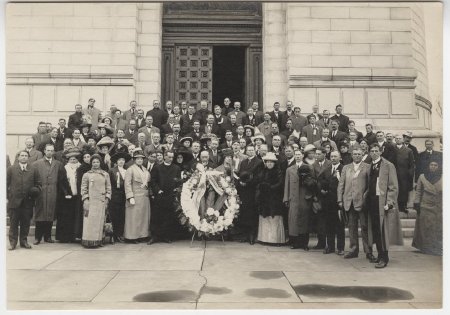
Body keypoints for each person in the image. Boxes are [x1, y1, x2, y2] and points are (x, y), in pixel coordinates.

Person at [366, 143, 402, 268]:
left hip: (382, 203)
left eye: (377, 150)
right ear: (369, 153)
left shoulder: (388, 165)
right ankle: (379, 254)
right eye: (372, 151)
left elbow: (393, 186)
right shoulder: (370, 166)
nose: (374, 153)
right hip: (372, 202)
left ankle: (384, 257)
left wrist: (390, 202)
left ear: (381, 152)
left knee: (383, 232)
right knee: (375, 230)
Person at [337, 148, 374, 261]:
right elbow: (341, 185)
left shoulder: (367, 167)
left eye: (359, 154)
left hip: (362, 202)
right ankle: (353, 249)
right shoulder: (346, 167)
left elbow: (370, 185)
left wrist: (365, 197)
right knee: (351, 227)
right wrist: (339, 200)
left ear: (362, 155)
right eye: (355, 154)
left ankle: (368, 251)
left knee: (364, 227)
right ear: (351, 155)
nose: (357, 156)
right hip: (349, 201)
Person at [33, 144, 70, 245]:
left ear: (54, 152)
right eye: (48, 150)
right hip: (41, 192)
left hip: (53, 192)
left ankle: (48, 236)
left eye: (52, 150)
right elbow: (33, 179)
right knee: (40, 214)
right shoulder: (36, 164)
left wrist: (66, 192)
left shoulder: (58, 164)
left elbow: (63, 180)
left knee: (50, 214)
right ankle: (37, 237)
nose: (50, 152)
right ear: (44, 151)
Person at [7, 150, 41, 250]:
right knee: (13, 223)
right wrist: (9, 196)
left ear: (28, 158)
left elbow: (39, 184)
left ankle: (24, 241)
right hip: (14, 201)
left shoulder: (34, 169)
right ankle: (13, 243)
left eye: (26, 156)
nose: (24, 157)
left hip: (28, 202)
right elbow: (5, 184)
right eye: (22, 155)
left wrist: (35, 192)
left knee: (26, 223)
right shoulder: (11, 169)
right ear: (18, 157)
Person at [149, 150, 182, 244]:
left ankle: (166, 236)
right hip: (159, 196)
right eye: (169, 157)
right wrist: (158, 190)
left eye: (172, 157)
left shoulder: (176, 168)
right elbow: (153, 181)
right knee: (156, 216)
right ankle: (154, 236)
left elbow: (178, 181)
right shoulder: (157, 168)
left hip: (170, 196)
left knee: (168, 217)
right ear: (164, 157)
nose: (171, 159)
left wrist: (176, 190)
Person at [284, 150, 314, 250]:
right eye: (296, 155)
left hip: (304, 197)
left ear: (302, 156)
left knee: (304, 220)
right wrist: (286, 198)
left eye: (299, 155)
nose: (297, 156)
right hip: (293, 198)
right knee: (293, 220)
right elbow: (286, 184)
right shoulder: (289, 169)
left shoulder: (309, 167)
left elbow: (313, 183)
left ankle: (304, 243)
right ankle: (295, 242)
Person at [80, 154, 112, 248]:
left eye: (97, 162)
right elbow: (83, 188)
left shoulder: (105, 174)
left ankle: (99, 240)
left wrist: (107, 199)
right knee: (89, 222)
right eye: (93, 162)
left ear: (100, 163)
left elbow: (108, 188)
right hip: (90, 202)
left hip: (101, 201)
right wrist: (85, 199)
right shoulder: (87, 175)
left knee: (100, 221)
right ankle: (89, 241)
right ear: (91, 163)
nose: (95, 164)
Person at [412, 160, 442, 256]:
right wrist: (417, 203)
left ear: (438, 166)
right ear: (428, 166)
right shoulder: (422, 176)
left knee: (436, 227)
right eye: (431, 164)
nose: (433, 166)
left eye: (435, 165)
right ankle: (425, 247)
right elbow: (418, 191)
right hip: (425, 205)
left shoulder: (443, 176)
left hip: (438, 205)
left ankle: (436, 246)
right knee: (425, 227)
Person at [318, 150, 345, 255]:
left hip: (339, 202)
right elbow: (321, 182)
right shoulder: (327, 169)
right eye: (331, 156)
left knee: (340, 226)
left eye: (335, 156)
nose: (333, 158)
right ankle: (330, 246)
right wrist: (322, 190)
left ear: (340, 157)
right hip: (328, 202)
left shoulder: (344, 169)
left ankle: (341, 248)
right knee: (329, 225)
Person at [236, 145, 264, 244]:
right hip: (243, 191)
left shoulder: (259, 162)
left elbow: (259, 177)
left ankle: (252, 235)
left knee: (252, 213)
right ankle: (245, 235)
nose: (250, 152)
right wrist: (240, 182)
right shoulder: (243, 162)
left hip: (252, 190)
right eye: (249, 150)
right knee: (244, 213)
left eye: (252, 150)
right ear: (246, 152)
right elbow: (239, 174)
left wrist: (248, 183)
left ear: (255, 151)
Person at [256, 152, 286, 245]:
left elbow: (280, 184)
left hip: (275, 199)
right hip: (264, 199)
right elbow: (259, 182)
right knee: (265, 218)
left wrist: (269, 187)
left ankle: (275, 240)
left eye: (271, 162)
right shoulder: (263, 172)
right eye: (267, 162)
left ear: (274, 163)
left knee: (274, 218)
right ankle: (264, 239)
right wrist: (262, 187)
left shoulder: (278, 172)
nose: (269, 164)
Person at [124, 149, 151, 243]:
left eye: (141, 159)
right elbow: (127, 184)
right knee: (133, 218)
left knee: (143, 218)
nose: (140, 160)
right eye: (137, 159)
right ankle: (132, 237)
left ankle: (142, 235)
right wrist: (130, 196)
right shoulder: (130, 170)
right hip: (135, 196)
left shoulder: (145, 170)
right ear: (134, 160)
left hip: (144, 197)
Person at [56, 147, 81, 243]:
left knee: (75, 217)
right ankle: (64, 237)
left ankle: (74, 236)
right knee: (66, 217)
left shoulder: (80, 167)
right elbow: (61, 181)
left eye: (74, 159)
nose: (73, 160)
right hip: (66, 196)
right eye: (71, 159)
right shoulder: (64, 168)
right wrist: (66, 193)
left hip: (77, 196)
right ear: (68, 160)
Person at [109, 151, 132, 243]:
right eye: (119, 160)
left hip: (124, 196)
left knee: (122, 215)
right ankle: (115, 235)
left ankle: (120, 233)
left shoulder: (127, 170)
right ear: (116, 162)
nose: (121, 162)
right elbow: (109, 184)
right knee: (115, 216)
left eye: (123, 160)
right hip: (115, 196)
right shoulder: (112, 171)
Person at [74, 147, 95, 241]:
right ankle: (82, 234)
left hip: (93, 194)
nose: (87, 158)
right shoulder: (81, 169)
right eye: (85, 157)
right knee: (84, 214)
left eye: (88, 157)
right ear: (83, 159)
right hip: (84, 194)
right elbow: (79, 183)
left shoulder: (93, 167)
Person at [393, 134, 415, 213]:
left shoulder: (408, 150)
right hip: (394, 173)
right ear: (395, 140)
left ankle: (403, 206)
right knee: (395, 189)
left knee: (404, 190)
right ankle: (395, 205)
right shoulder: (392, 149)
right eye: (397, 138)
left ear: (402, 140)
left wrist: (410, 174)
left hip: (404, 174)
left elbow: (411, 164)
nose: (398, 140)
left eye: (400, 138)